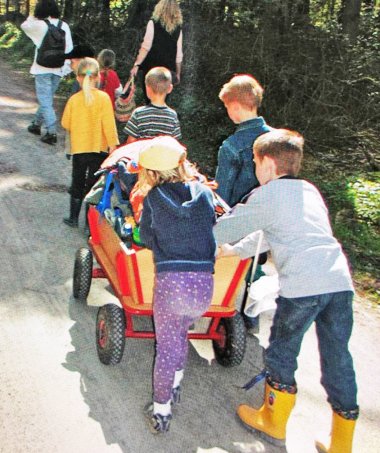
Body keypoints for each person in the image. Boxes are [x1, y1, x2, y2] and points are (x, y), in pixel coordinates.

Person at [215, 129, 359, 452]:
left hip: (303, 286)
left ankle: (273, 421)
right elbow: (269, 235)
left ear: (267, 163)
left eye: (254, 162)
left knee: (282, 350)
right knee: (338, 358)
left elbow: (229, 226)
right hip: (338, 282)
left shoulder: (268, 195)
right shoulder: (309, 191)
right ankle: (342, 443)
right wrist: (234, 252)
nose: (254, 169)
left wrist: (196, 238)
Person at [138, 136, 216, 434]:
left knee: (167, 346)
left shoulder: (154, 199)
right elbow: (208, 226)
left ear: (153, 174)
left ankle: (161, 410)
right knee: (181, 333)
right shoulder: (205, 194)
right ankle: (176, 385)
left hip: (172, 283)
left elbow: (145, 237)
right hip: (203, 283)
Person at [215, 74, 272, 333]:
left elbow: (222, 192)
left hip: (238, 215)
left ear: (235, 107)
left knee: (231, 260)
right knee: (255, 263)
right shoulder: (276, 141)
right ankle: (251, 314)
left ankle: (219, 307)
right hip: (267, 217)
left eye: (227, 108)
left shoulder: (231, 146)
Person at [61, 58, 119, 228]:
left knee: (77, 181)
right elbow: (109, 125)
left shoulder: (74, 99)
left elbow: (66, 123)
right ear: (98, 77)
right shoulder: (104, 98)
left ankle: (73, 218)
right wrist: (113, 146)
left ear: (78, 78)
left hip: (80, 149)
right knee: (93, 186)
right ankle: (89, 224)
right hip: (98, 149)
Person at [21, 0, 73, 145]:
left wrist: (33, 15)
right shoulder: (64, 26)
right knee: (47, 99)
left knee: (45, 100)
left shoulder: (39, 25)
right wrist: (66, 68)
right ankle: (36, 124)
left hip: (42, 68)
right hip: (59, 67)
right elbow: (68, 49)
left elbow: (24, 26)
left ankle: (51, 132)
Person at [130, 0, 183, 103]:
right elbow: (179, 54)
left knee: (149, 101)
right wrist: (178, 73)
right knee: (162, 102)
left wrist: (136, 64)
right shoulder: (178, 28)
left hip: (151, 70)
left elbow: (146, 47)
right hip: (167, 72)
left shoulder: (153, 23)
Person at [124, 66, 181, 143]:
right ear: (170, 88)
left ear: (147, 89)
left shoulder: (138, 113)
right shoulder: (172, 115)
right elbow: (175, 143)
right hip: (163, 155)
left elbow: (130, 142)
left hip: (142, 155)